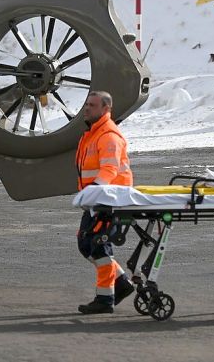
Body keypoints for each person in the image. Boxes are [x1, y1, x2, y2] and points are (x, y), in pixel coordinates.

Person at [74, 91, 136, 315]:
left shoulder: (108, 135)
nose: (87, 108)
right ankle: (120, 283)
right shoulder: (91, 134)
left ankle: (105, 299)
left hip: (108, 200)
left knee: (98, 246)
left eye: (92, 105)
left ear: (105, 109)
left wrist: (92, 192)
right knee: (85, 244)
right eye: (86, 104)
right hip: (96, 200)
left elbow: (109, 169)